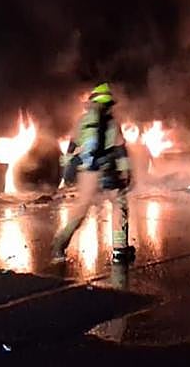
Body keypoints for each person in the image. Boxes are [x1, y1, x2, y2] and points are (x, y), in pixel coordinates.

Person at [53, 82, 135, 262]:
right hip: (108, 171)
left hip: (87, 172)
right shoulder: (112, 123)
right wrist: (125, 171)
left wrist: (66, 172)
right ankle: (120, 250)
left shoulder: (82, 121)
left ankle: (60, 244)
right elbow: (120, 150)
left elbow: (71, 147)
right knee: (119, 204)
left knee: (81, 209)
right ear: (108, 104)